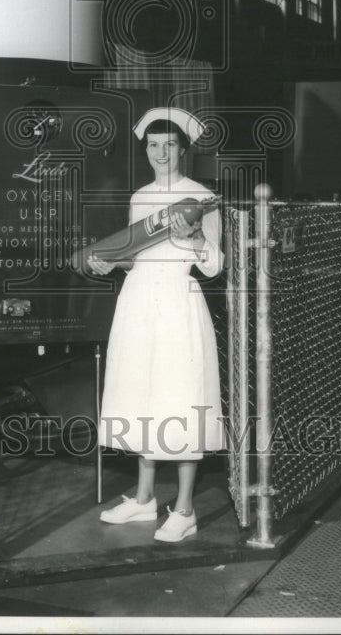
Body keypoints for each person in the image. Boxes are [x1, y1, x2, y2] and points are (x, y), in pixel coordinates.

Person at [88, 107, 224, 543]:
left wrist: (198, 239)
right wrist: (106, 262)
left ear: (182, 150)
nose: (160, 153)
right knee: (141, 394)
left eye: (169, 146)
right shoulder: (140, 196)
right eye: (152, 145)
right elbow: (136, 258)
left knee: (180, 398)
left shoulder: (202, 197)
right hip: (138, 302)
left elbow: (215, 267)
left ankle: (184, 509)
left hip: (179, 303)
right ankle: (144, 498)